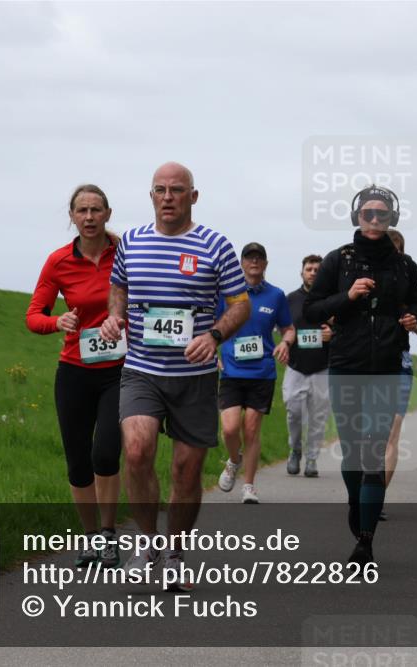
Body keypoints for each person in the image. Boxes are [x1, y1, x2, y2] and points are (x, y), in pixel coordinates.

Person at [99, 162, 251, 588]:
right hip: (142, 370)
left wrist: (215, 334)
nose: (168, 197)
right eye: (161, 190)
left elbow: (241, 304)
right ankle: (148, 544)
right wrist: (115, 317)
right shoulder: (131, 241)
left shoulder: (216, 246)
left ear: (193, 197)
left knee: (186, 471)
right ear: (151, 196)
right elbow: (119, 288)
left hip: (196, 376)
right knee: (136, 450)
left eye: (177, 190)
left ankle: (177, 551)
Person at [305, 185, 417, 564]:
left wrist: (413, 322)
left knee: (374, 453)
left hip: (387, 369)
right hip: (346, 366)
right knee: (353, 455)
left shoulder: (405, 266)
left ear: (392, 218)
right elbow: (312, 311)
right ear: (356, 217)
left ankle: (365, 540)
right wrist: (349, 297)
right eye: (368, 214)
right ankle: (355, 498)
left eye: (382, 214)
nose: (375, 220)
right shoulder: (337, 261)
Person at [26, 184, 125, 569]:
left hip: (119, 370)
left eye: (96, 210)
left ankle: (108, 535)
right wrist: (57, 321)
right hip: (74, 371)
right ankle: (88, 540)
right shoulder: (58, 261)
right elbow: (33, 315)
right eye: (81, 210)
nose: (88, 217)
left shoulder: (125, 253)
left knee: (106, 452)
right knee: (77, 461)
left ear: (107, 213)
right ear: (71, 216)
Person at [216, 243, 295, 503]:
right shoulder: (227, 294)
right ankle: (234, 460)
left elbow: (288, 328)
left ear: (265, 263)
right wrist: (214, 353)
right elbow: (211, 326)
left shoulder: (276, 295)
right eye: (249, 257)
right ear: (241, 263)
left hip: (262, 372)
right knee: (229, 429)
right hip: (231, 369)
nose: (254, 262)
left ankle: (249, 486)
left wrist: (285, 342)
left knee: (251, 430)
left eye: (259, 257)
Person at [380, 229, 417, 521]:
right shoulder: (362, 282)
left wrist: (415, 326)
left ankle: (376, 498)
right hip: (365, 364)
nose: (393, 252)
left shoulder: (413, 287)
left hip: (399, 363)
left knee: (391, 434)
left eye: (398, 248)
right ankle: (362, 491)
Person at [282, 254, 333, 478]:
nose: (313, 272)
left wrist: (333, 334)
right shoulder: (290, 299)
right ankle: (295, 449)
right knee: (293, 411)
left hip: (322, 367)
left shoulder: (332, 299)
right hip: (296, 366)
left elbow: (346, 329)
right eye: (309, 269)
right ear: (301, 272)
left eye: (316, 269)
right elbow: (281, 327)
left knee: (318, 416)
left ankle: (312, 458)